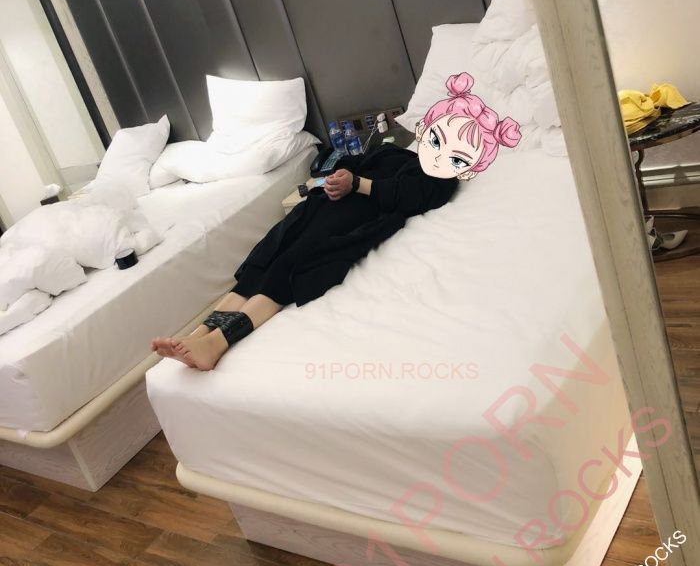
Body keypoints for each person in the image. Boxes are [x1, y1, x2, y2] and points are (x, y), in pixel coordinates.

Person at [151, 72, 521, 370]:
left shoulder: (440, 180)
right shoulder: (393, 152)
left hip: (356, 218)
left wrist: (357, 184)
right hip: (323, 206)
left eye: (456, 155)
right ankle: (199, 334)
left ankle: (217, 343)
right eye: (439, 140)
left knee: (288, 266)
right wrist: (341, 174)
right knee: (263, 258)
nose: (440, 154)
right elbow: (352, 161)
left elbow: (406, 196)